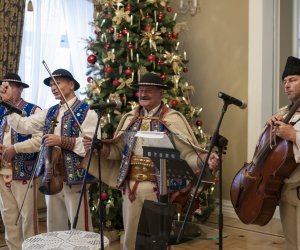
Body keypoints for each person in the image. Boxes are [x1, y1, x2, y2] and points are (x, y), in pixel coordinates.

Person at [83, 72, 219, 250]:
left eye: (149, 90)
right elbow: (117, 151)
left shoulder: (173, 119)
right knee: (130, 238)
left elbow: (188, 154)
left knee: (158, 240)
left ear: (161, 93)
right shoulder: (130, 119)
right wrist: (101, 148)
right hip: (130, 187)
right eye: (140, 90)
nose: (143, 93)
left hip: (158, 188)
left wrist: (205, 161)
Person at [0, 69, 99, 233]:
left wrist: (62, 141)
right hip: (51, 178)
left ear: (72, 85)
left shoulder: (87, 111)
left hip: (75, 177)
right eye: (52, 84)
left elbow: (91, 145)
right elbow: (23, 125)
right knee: (54, 226)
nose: (53, 87)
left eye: (57, 83)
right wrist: (9, 104)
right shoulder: (51, 111)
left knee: (80, 226)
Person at [0, 73, 42, 250]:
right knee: (9, 217)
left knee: (28, 219)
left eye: (8, 86)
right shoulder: (1, 111)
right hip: (3, 172)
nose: (3, 89)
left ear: (20, 89)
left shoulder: (34, 111)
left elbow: (40, 141)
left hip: (25, 171)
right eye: (2, 86)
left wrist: (14, 149)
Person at [267, 56, 300, 250]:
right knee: (291, 243)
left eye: (293, 80)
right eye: (285, 82)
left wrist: (294, 136)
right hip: (286, 188)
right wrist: (269, 131)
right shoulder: (283, 112)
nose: (287, 85)